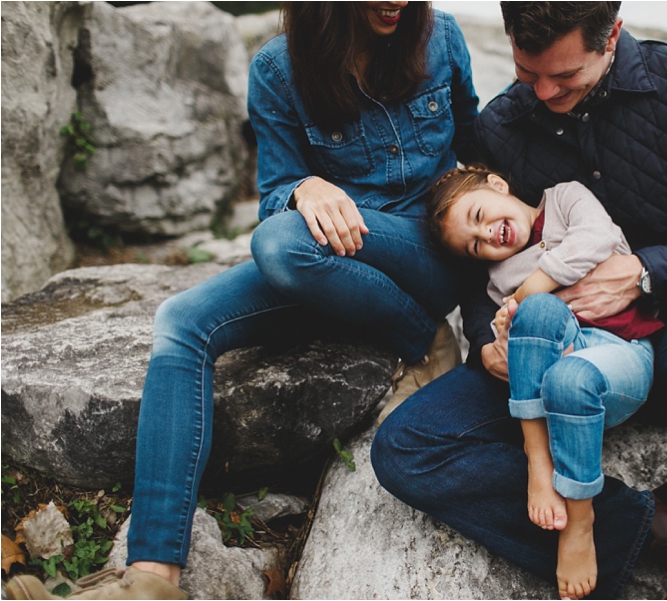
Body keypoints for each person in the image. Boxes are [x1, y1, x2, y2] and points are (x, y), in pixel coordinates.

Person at [6, 2, 478, 600]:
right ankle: (152, 576)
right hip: (332, 263)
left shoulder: (442, 39)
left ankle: (422, 334)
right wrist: (304, 187)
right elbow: (276, 189)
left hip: (424, 252)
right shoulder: (280, 69)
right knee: (181, 320)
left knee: (280, 243)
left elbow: (479, 144)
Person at [372, 2, 667, 599]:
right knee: (407, 448)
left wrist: (644, 272)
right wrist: (486, 344)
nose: (544, 92)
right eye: (529, 74)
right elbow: (480, 275)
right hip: (548, 357)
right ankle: (650, 523)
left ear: (613, 35)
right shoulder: (504, 126)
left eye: (565, 76)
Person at [426, 165, 663, 598]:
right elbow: (519, 355)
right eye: (474, 246)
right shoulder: (498, 282)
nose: (487, 237)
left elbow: (597, 238)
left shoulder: (564, 200)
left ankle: (577, 521)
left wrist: (526, 291)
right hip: (557, 372)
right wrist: (507, 329)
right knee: (539, 329)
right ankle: (541, 461)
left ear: (497, 185)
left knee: (563, 363)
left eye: (480, 215)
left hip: (619, 353)